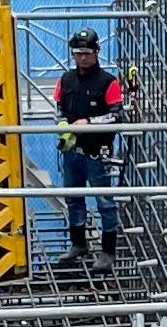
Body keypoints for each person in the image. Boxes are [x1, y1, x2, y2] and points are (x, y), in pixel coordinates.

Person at [53, 27, 127, 270]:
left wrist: (89, 123)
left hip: (97, 153)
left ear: (96, 53)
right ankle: (78, 244)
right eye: (78, 53)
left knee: (105, 202)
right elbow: (59, 109)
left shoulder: (108, 82)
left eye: (86, 53)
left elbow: (117, 116)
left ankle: (108, 251)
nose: (82, 57)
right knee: (74, 199)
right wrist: (63, 123)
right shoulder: (65, 80)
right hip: (72, 152)